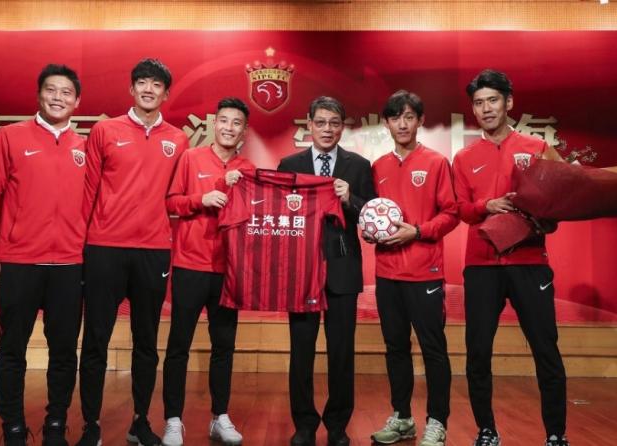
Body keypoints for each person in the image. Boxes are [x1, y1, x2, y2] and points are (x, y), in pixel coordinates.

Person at [452, 69, 568, 446]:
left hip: (530, 263)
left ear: (509, 103)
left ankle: (556, 434)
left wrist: (547, 218)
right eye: (479, 103)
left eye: (493, 100)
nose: (486, 108)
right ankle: (486, 430)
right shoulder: (464, 157)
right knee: (477, 352)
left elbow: (557, 208)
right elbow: (461, 209)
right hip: (481, 266)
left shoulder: (537, 147)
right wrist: (487, 205)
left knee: (545, 349)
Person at [77, 58, 188, 446]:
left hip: (153, 251)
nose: (148, 89)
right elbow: (87, 191)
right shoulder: (105, 130)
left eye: (156, 84)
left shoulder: (179, 139)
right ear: (131, 88)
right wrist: (80, 247)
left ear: (166, 93)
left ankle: (140, 421)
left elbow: (178, 197)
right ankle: (91, 425)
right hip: (104, 247)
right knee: (95, 340)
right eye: (142, 82)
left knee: (146, 343)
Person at [0, 64, 85, 446]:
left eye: (66, 92)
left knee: (64, 353)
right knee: (11, 350)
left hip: (69, 266)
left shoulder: (86, 147)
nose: (58, 97)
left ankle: (56, 425)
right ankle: (13, 428)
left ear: (77, 101)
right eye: (51, 90)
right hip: (18, 263)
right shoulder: (10, 137)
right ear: (39, 95)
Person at [277, 96, 376, 446]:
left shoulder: (358, 166)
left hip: (343, 269)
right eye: (320, 122)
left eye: (334, 123)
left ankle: (337, 425)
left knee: (341, 352)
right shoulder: (289, 164)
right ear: (309, 125)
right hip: (301, 270)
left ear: (342, 127)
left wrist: (351, 199)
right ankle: (304, 424)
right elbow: (279, 216)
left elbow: (372, 216)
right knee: (301, 351)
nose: (327, 129)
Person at [367, 90, 459, 446]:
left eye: (409, 117)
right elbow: (372, 215)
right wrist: (369, 230)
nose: (402, 124)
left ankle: (437, 421)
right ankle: (402, 417)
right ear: (386, 123)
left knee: (433, 349)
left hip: (425, 274)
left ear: (420, 120)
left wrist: (417, 231)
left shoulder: (436, 162)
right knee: (395, 348)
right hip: (387, 274)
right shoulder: (378, 166)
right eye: (395, 118)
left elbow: (451, 214)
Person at [161, 97, 254, 446]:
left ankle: (220, 417)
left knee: (224, 347)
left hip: (229, 269)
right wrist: (203, 198)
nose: (229, 128)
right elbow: (172, 202)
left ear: (244, 130)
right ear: (215, 124)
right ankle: (173, 420)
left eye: (236, 123)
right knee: (178, 346)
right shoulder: (191, 157)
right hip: (190, 265)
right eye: (224, 121)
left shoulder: (249, 168)